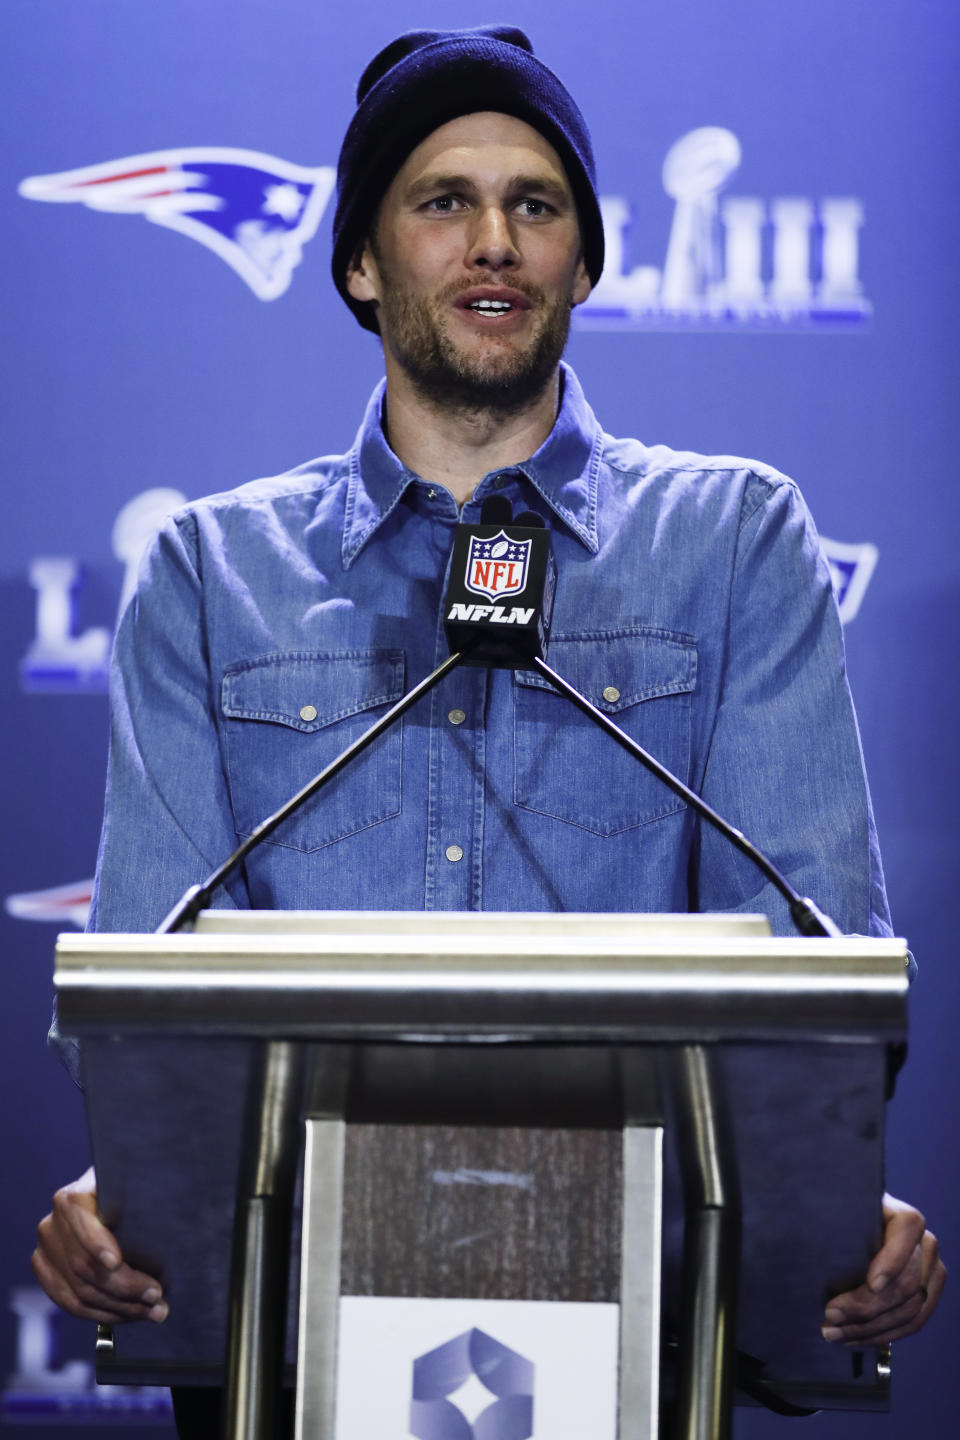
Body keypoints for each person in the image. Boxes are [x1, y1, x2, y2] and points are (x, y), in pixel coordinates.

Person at [32, 22, 944, 1432]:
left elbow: (807, 993)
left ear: (584, 262)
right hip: (289, 1331)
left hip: (642, 1324)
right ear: (359, 262)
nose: (495, 242)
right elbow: (154, 1007)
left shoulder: (733, 540)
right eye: (442, 200)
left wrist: (823, 1193)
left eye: (536, 203)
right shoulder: (215, 574)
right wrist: (132, 1192)